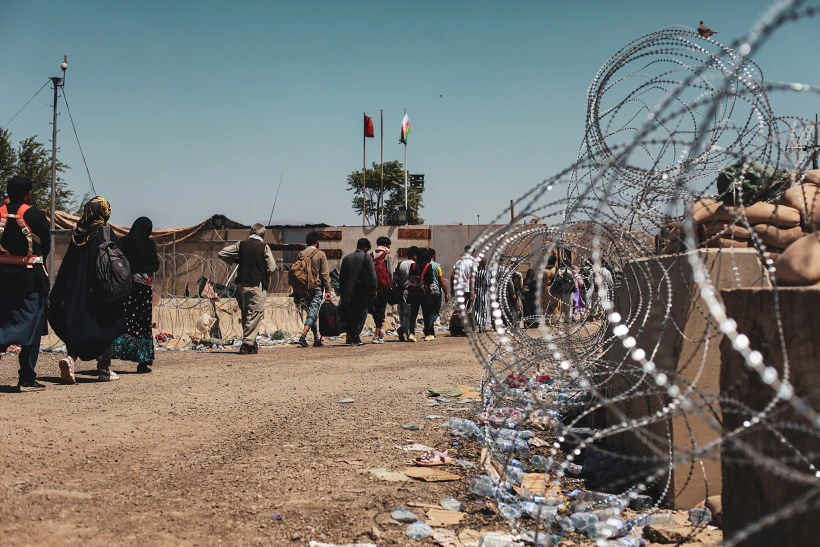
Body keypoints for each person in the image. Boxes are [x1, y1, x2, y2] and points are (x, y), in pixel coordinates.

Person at [49, 197, 127, 383]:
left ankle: (70, 359)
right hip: (100, 289)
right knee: (108, 323)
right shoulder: (105, 231)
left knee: (80, 326)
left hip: (78, 290)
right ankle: (104, 369)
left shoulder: (78, 234)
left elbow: (68, 265)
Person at [0, 175, 51, 391]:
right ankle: (27, 378)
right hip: (29, 279)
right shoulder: (36, 216)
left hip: (2, 277)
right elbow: (46, 246)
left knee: (3, 322)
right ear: (28, 194)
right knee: (31, 325)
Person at [218, 224, 276, 354]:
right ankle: (246, 343)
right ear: (264, 235)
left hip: (241, 284)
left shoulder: (241, 245)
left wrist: (237, 260)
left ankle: (252, 343)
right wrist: (264, 271)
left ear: (251, 232)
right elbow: (272, 267)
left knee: (246, 313)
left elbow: (222, 253)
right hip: (256, 284)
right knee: (256, 313)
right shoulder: (264, 247)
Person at [112, 217, 159, 373]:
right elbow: (156, 265)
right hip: (144, 289)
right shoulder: (150, 244)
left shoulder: (124, 242)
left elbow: (118, 261)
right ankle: (143, 361)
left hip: (127, 288)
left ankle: (111, 355)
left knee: (123, 318)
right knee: (143, 323)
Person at [296, 231, 332, 348]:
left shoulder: (301, 254)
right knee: (313, 312)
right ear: (317, 242)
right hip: (316, 287)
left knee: (311, 312)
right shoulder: (320, 254)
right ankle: (303, 336)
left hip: (304, 288)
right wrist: (328, 290)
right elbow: (325, 274)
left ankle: (316, 338)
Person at [338, 238, 376, 345]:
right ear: (365, 249)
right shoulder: (366, 257)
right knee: (361, 314)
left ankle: (350, 335)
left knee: (350, 313)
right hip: (362, 291)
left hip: (348, 292)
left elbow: (341, 277)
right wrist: (374, 289)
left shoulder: (346, 258)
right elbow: (373, 276)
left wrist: (342, 291)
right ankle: (355, 337)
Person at [369, 236, 393, 344]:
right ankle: (376, 335)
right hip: (384, 287)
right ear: (386, 245)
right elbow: (390, 272)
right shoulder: (386, 255)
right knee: (381, 310)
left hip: (373, 287)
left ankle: (377, 332)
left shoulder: (370, 255)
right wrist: (390, 284)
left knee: (375, 310)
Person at [422, 248, 449, 341]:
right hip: (436, 292)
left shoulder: (423, 265)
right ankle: (428, 326)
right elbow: (441, 281)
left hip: (425, 292)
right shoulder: (437, 266)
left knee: (428, 312)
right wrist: (446, 293)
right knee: (435, 312)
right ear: (434, 255)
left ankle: (430, 331)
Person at [394, 245, 420, 342]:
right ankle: (404, 331)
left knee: (402, 313)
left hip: (401, 292)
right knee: (410, 313)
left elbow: (396, 278)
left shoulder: (401, 264)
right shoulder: (415, 265)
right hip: (411, 292)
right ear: (414, 256)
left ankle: (404, 331)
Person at [471, 258, 491, 332]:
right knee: (483, 309)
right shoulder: (485, 273)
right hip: (483, 293)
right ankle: (482, 326)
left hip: (476, 293)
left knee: (476, 309)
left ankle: (477, 324)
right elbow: (488, 283)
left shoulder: (476, 273)